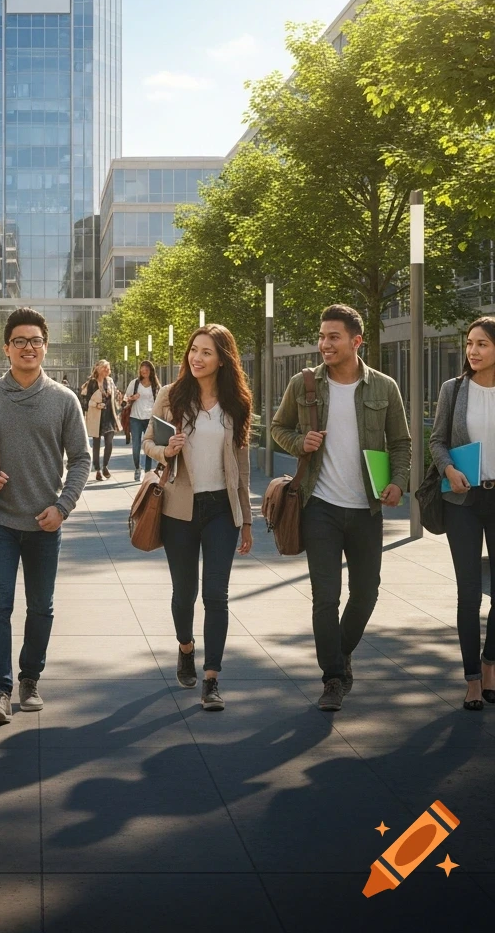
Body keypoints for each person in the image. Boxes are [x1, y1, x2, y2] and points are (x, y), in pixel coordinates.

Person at [272, 304, 410, 712]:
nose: (324, 344)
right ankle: (332, 678)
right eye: (321, 336)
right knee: (325, 597)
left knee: (366, 593)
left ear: (356, 341)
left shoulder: (384, 387)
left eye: (333, 337)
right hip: (320, 506)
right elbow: (280, 427)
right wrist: (301, 443)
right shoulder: (304, 385)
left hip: (367, 508)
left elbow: (400, 443)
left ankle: (341, 651)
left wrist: (398, 482)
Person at [0, 308, 91, 724]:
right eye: (19, 342)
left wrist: (63, 507)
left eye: (35, 341)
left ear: (45, 347)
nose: (28, 348)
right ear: (6, 348)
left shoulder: (64, 400)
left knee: (41, 607)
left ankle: (30, 678)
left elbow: (81, 459)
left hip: (44, 523)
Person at [143, 325, 253, 710]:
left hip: (222, 508)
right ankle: (186, 647)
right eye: (193, 350)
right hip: (179, 508)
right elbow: (147, 442)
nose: (196, 357)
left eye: (206, 352)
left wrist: (248, 519)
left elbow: (241, 461)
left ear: (222, 358)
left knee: (216, 596)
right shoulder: (171, 396)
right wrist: (164, 451)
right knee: (184, 592)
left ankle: (212, 679)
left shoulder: (236, 402)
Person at [430, 316, 495, 711]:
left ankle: (490, 664)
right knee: (469, 592)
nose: (472, 351)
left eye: (482, 344)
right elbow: (437, 441)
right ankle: (472, 678)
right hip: (463, 500)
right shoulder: (454, 390)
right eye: (469, 343)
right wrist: (449, 469)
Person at [81, 360, 122, 480]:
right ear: (99, 369)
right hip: (97, 417)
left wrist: (123, 398)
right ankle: (97, 469)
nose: (108, 371)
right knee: (97, 444)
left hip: (109, 416)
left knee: (109, 443)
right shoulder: (92, 383)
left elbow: (115, 394)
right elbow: (86, 399)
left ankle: (105, 466)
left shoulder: (110, 381)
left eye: (108, 368)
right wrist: (96, 404)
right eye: (105, 368)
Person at [124, 359, 160, 482]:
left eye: (146, 369)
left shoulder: (156, 386)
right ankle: (137, 468)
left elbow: (159, 402)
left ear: (151, 371)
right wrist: (132, 397)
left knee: (149, 446)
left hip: (150, 419)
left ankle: (148, 472)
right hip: (135, 418)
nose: (144, 371)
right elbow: (125, 398)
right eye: (142, 369)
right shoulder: (135, 383)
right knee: (136, 446)